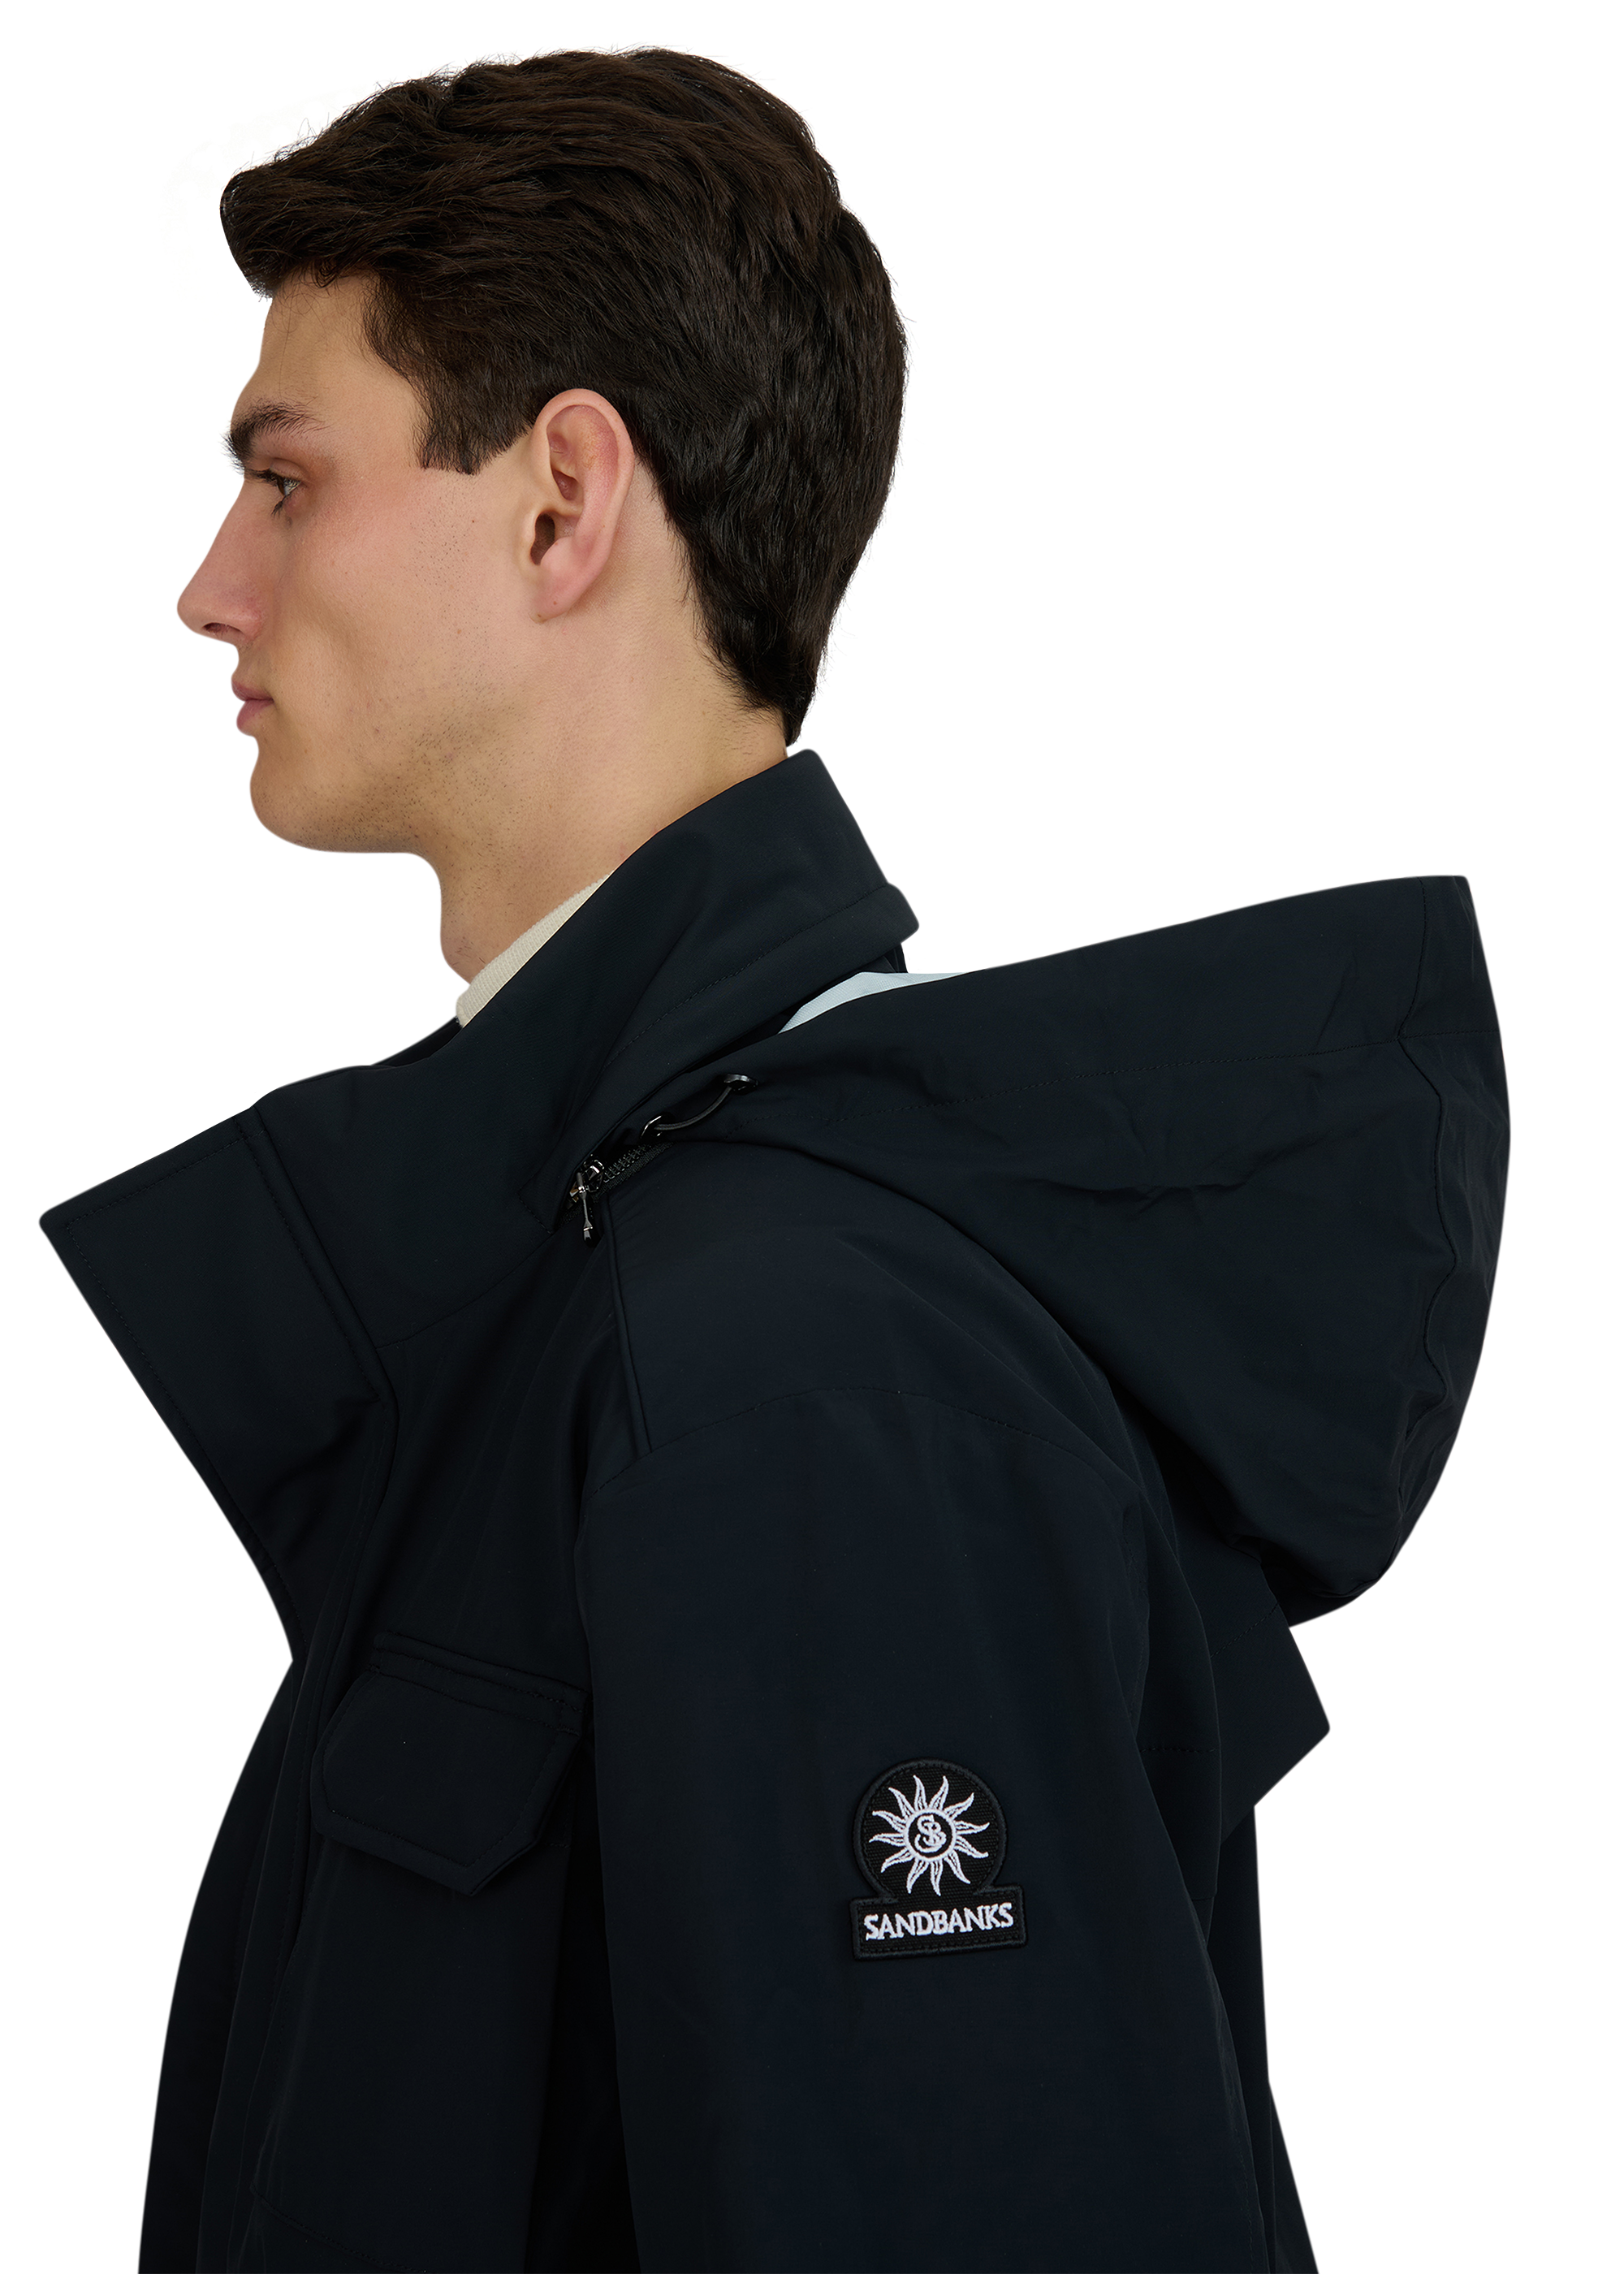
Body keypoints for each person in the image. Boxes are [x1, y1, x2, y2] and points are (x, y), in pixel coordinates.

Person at [38, 46, 1510, 2274]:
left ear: (563, 502)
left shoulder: (801, 1372)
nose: (212, 590)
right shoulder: (607, 1282)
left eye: (285, 478)